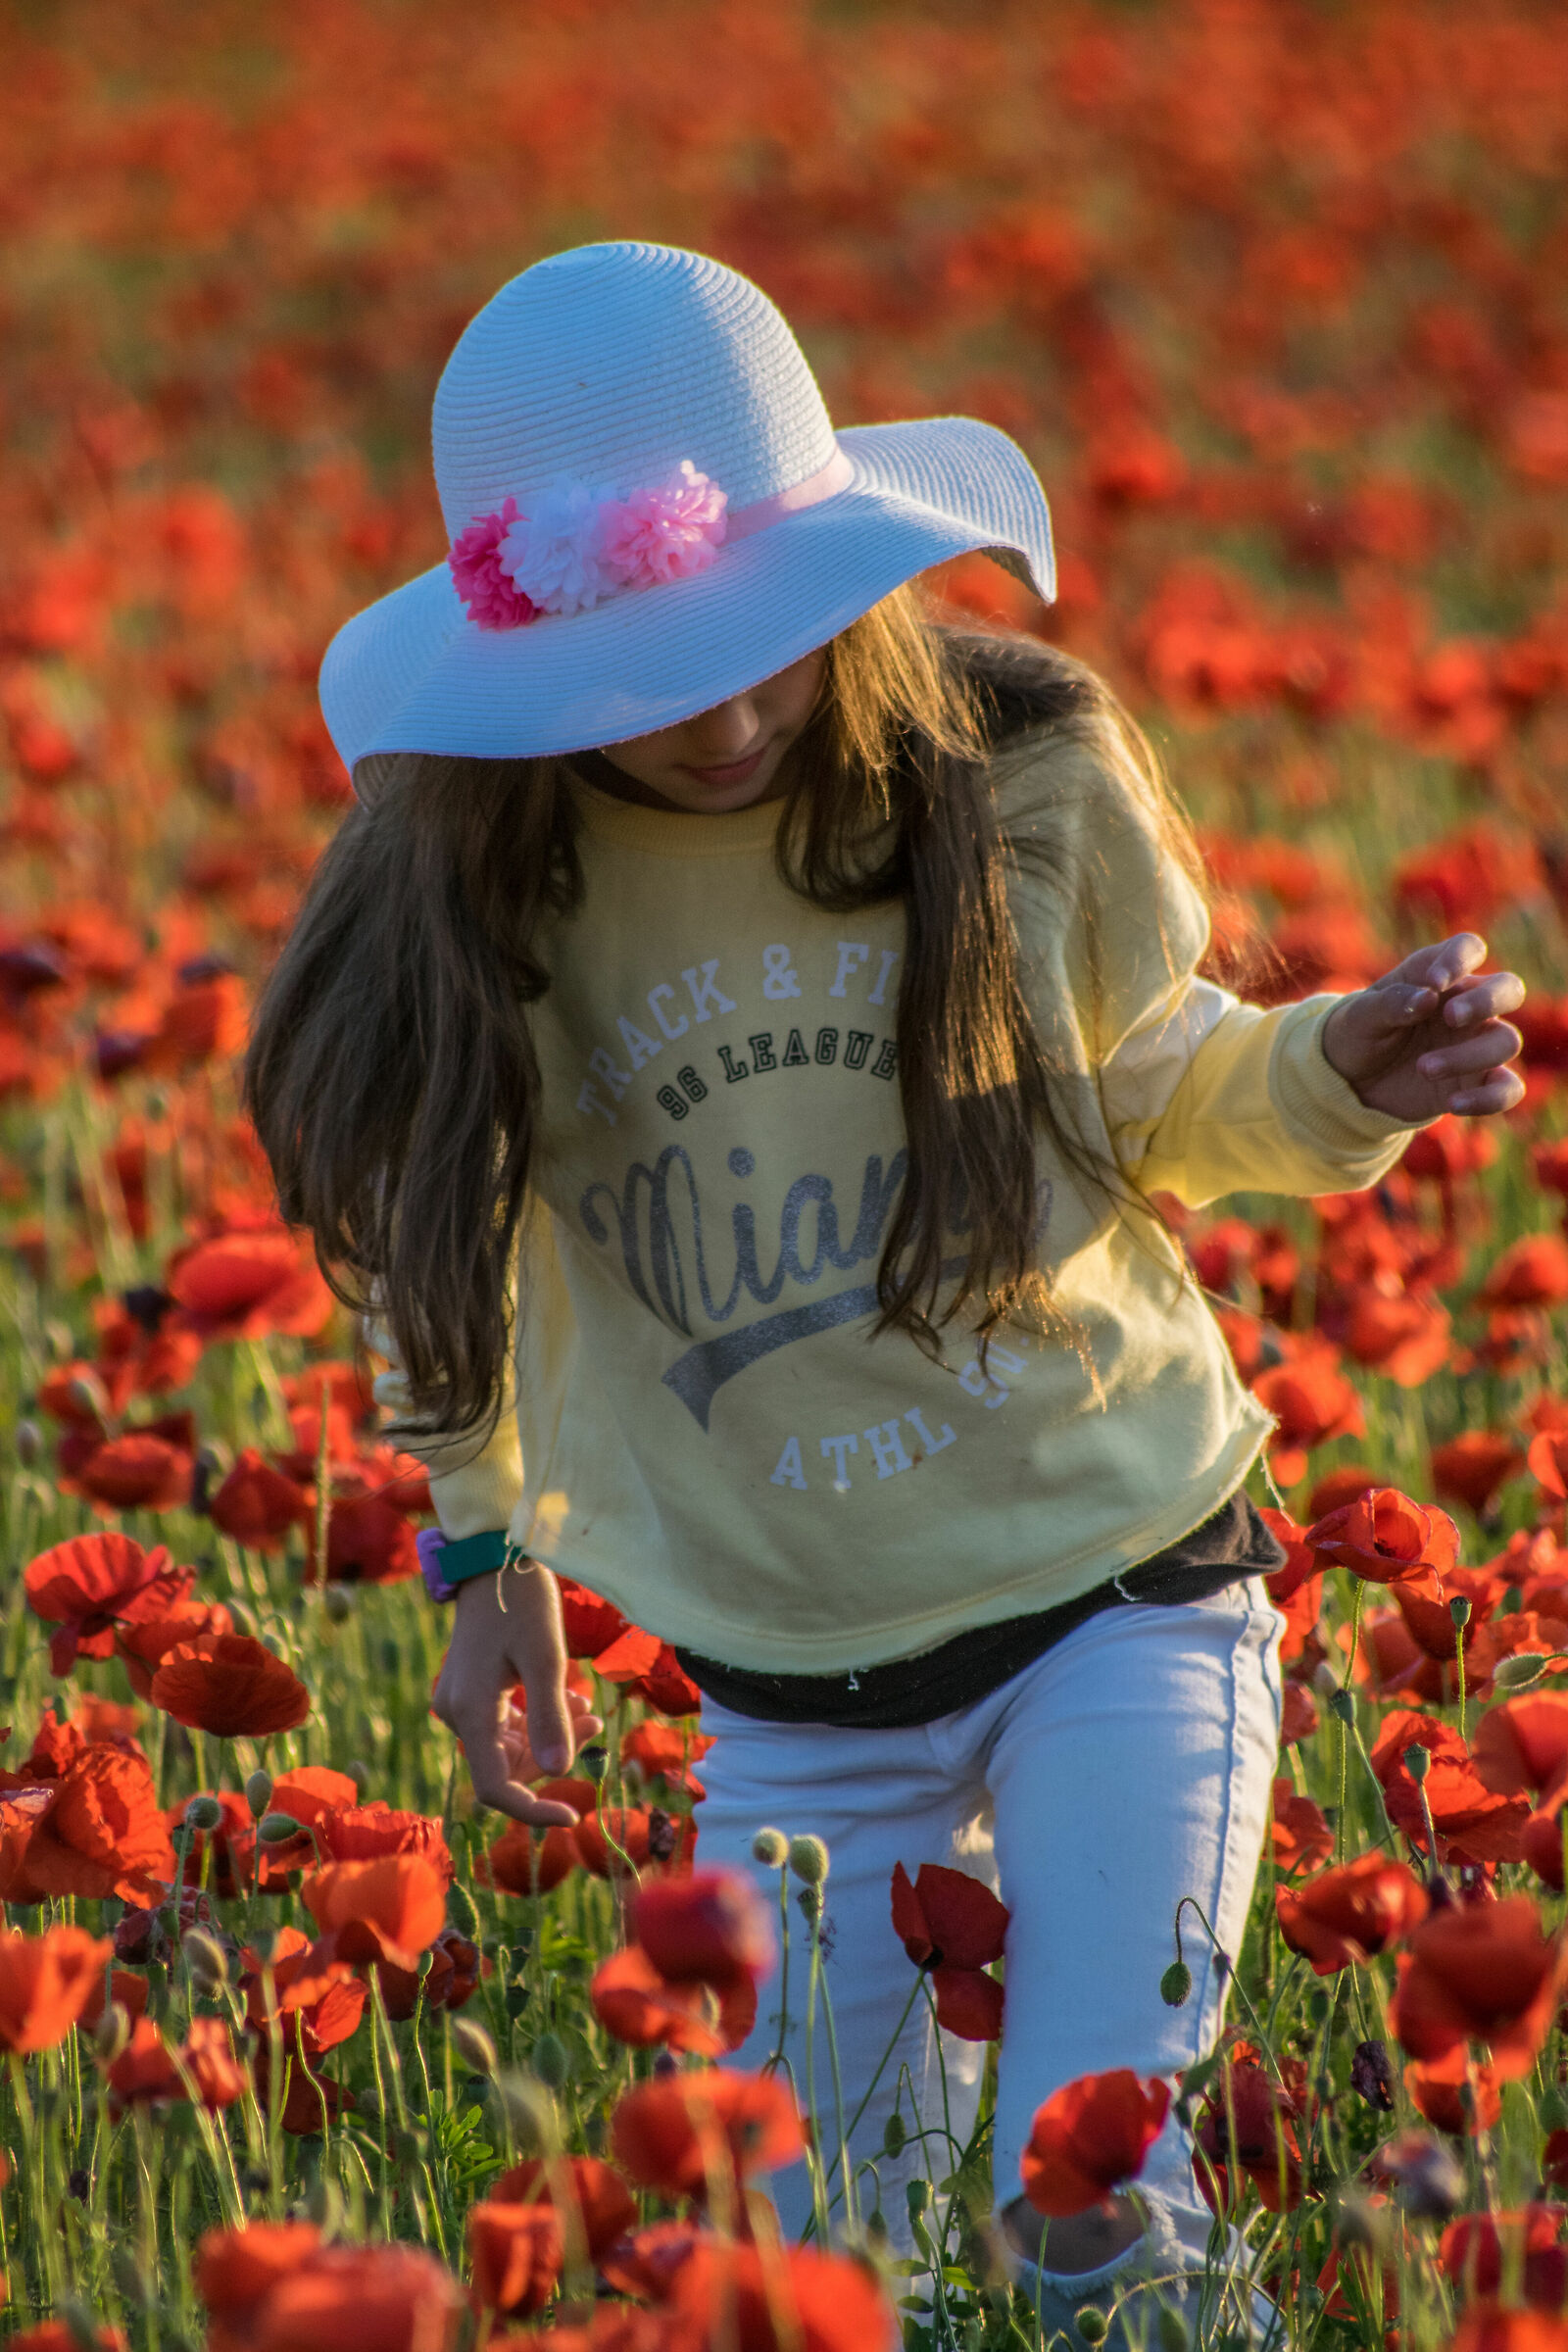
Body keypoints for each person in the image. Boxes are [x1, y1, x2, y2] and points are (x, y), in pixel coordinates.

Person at [245, 242, 1526, 2337]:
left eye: (764, 638)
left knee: (1084, 2210)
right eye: (660, 671)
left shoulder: (1007, 773)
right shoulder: (485, 893)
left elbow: (1145, 1087)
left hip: (1115, 1582)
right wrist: (483, 1561)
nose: (733, 712)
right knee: (817, 2273)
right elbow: (423, 1232)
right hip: (786, 1695)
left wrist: (1326, 1074)